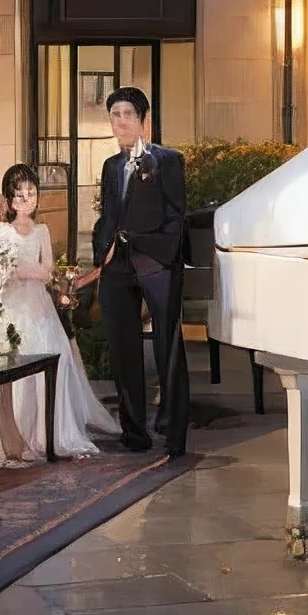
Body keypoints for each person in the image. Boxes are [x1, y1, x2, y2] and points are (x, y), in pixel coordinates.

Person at [0, 165, 119, 462]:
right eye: (19, 194)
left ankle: (46, 429)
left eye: (31, 193)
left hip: (37, 307)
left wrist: (24, 271)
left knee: (52, 358)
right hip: (10, 307)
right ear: (9, 200)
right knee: (10, 361)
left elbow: (47, 269)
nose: (26, 199)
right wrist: (4, 273)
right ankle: (12, 430)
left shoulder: (41, 231)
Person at [78, 86, 190, 458]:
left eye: (127, 114)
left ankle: (175, 433)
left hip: (157, 264)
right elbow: (108, 216)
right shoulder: (111, 167)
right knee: (123, 348)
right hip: (118, 266)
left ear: (144, 121)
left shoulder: (167, 160)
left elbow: (177, 215)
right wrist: (101, 255)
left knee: (167, 348)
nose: (120, 121)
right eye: (114, 115)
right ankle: (134, 432)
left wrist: (165, 258)